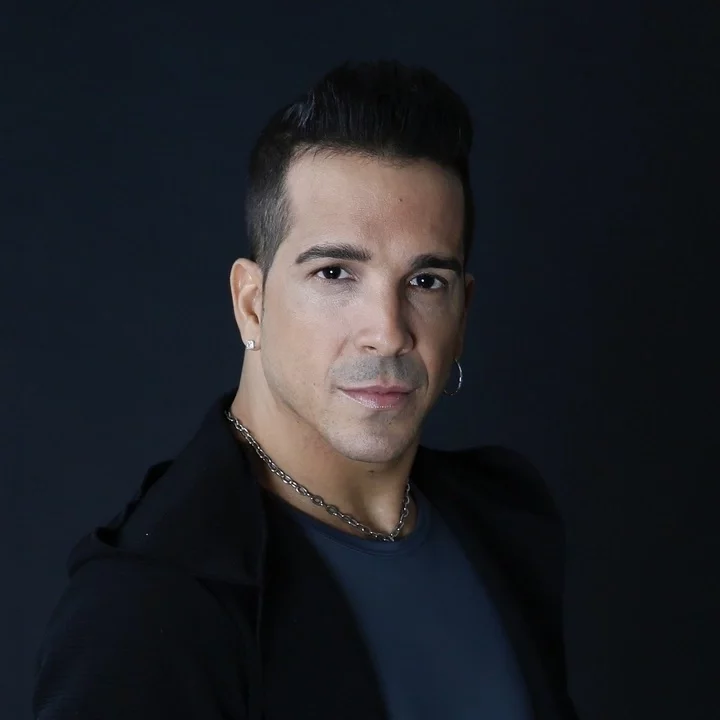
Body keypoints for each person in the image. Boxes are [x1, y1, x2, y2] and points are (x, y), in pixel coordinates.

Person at [33, 60, 579, 720]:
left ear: (462, 315)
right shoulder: (148, 606)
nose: (387, 332)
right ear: (251, 303)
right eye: (335, 273)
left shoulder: (506, 519)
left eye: (425, 282)